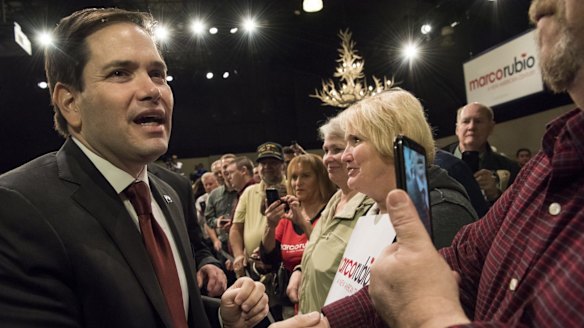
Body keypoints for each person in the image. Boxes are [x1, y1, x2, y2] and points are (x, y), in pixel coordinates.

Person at [272, 0, 584, 326]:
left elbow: (433, 287)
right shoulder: (547, 162)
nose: (537, 5)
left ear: (392, 141)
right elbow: (465, 259)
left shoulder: (441, 208)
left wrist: (431, 317)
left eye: (355, 141)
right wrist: (327, 322)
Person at [0, 8, 268, 327]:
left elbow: (170, 311)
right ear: (70, 103)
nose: (152, 90)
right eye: (119, 73)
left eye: (157, 73)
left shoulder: (171, 191)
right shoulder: (18, 207)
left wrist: (222, 319)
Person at [289, 116, 374, 314]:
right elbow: (324, 251)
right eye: (326, 150)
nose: (327, 157)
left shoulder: (371, 208)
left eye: (337, 149)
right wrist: (300, 270)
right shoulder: (335, 200)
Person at [260, 153, 337, 318]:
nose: (297, 183)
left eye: (305, 176)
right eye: (293, 177)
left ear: (321, 178)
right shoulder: (288, 215)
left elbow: (326, 253)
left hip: (326, 300)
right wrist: (270, 225)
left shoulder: (332, 211)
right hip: (291, 303)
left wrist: (303, 222)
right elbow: (269, 258)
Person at [444, 102, 520, 204]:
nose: (471, 127)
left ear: (491, 127)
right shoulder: (435, 162)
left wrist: (495, 196)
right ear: (457, 129)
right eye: (466, 121)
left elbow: (517, 212)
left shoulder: (511, 169)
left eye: (478, 121)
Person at [230, 142, 287, 278]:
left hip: (284, 264)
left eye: (272, 162)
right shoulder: (249, 192)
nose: (267, 167)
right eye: (263, 163)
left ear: (282, 165)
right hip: (253, 268)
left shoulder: (293, 188)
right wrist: (238, 256)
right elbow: (236, 228)